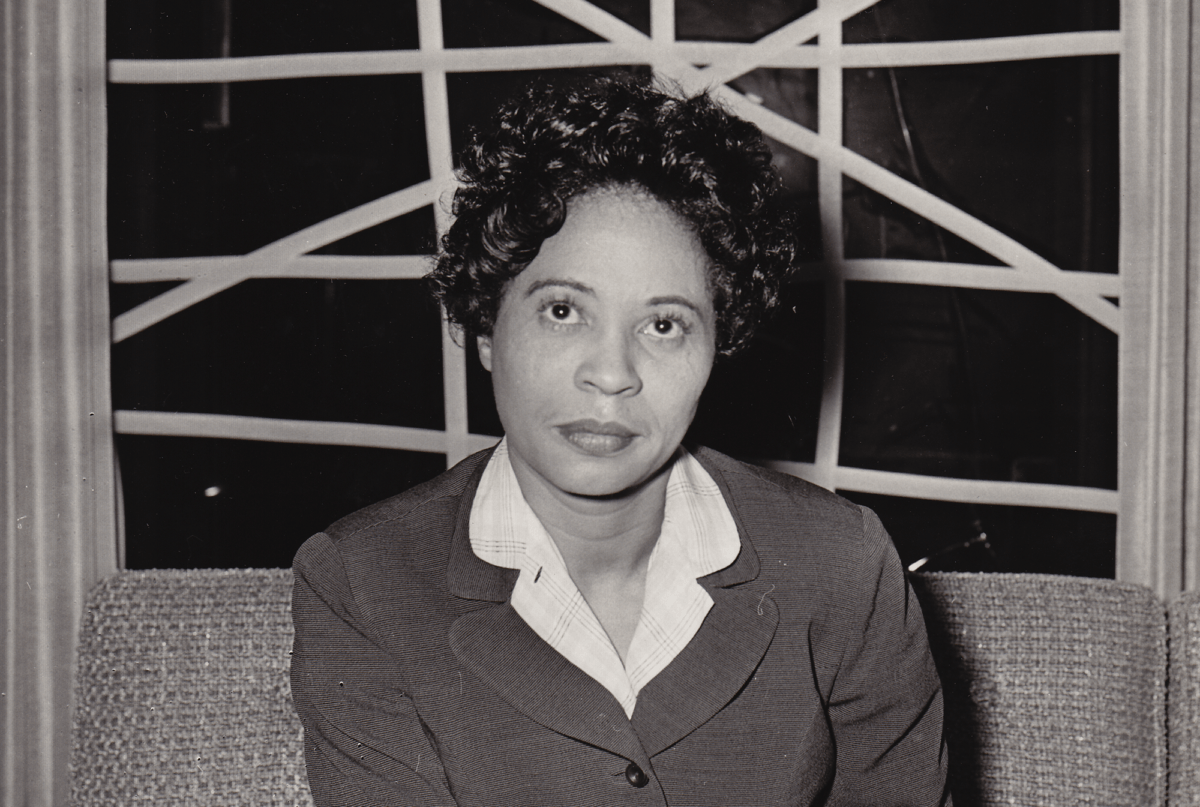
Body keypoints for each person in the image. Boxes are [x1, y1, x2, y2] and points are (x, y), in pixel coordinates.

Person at [290, 75, 951, 806]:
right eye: (564, 310)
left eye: (664, 324)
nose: (612, 375)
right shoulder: (362, 580)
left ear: (717, 346)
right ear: (483, 325)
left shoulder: (845, 566)